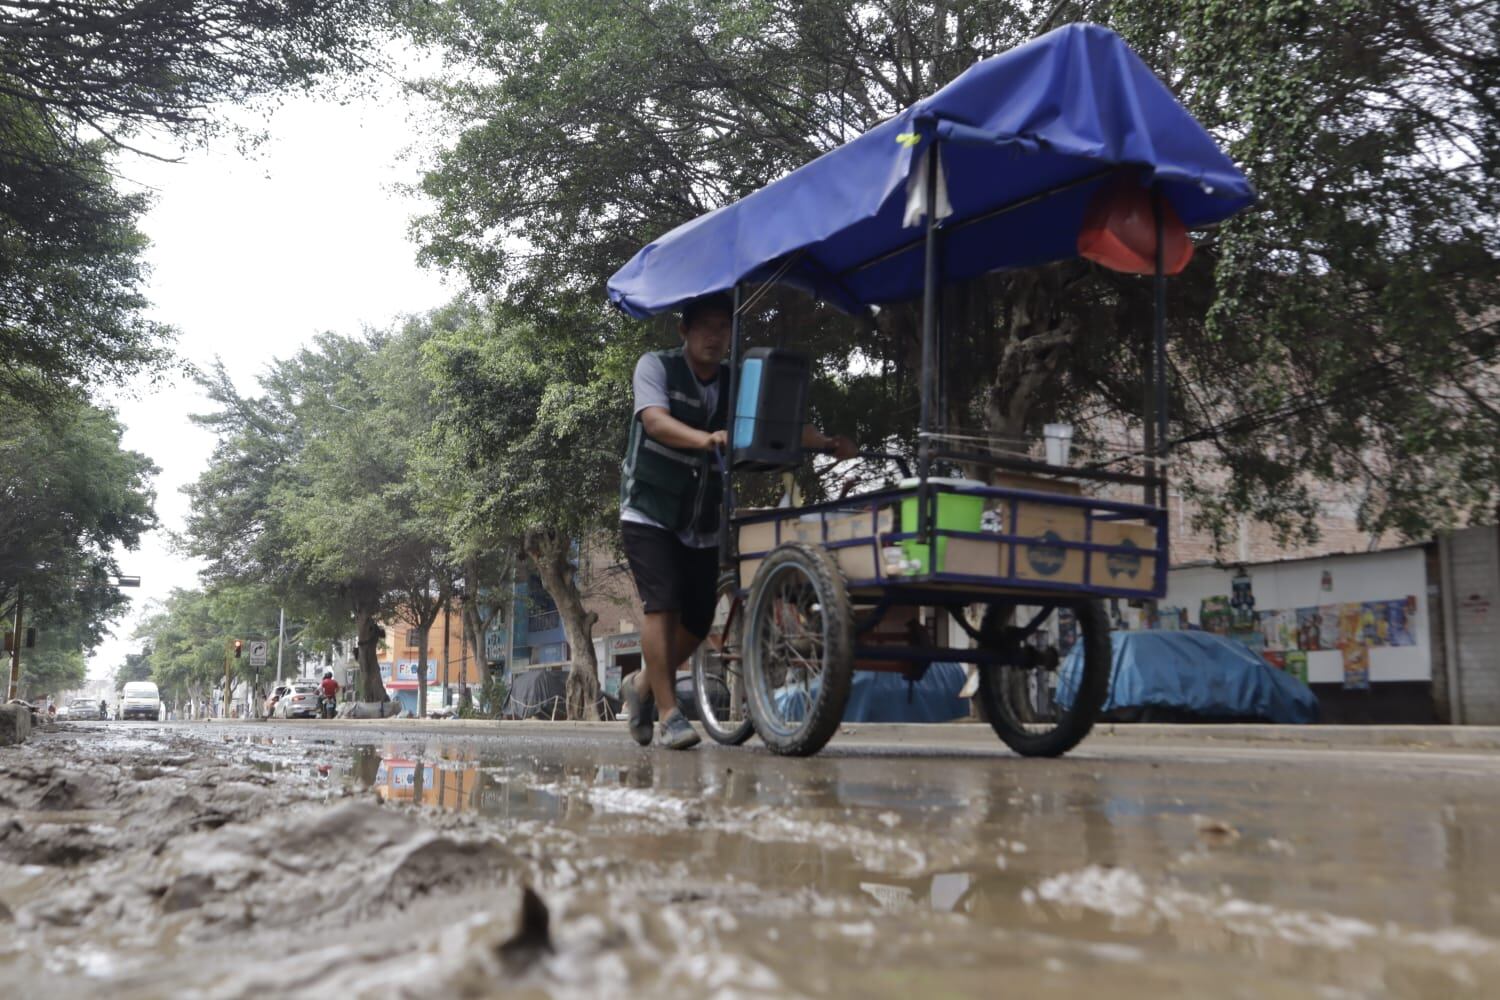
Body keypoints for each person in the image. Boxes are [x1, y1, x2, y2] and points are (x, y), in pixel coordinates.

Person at [619, 291, 854, 749]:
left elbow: (778, 425)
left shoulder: (736, 383)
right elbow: (655, 423)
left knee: (700, 614)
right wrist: (706, 439)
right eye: (704, 326)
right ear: (683, 331)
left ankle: (643, 685)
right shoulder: (655, 366)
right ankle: (669, 715)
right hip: (649, 508)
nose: (714, 336)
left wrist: (826, 442)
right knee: (661, 603)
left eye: (722, 328)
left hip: (703, 516)